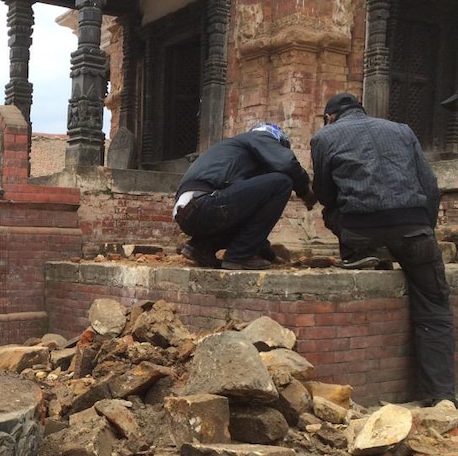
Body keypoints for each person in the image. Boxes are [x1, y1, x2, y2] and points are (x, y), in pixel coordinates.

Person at [311, 92, 456, 409]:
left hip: (361, 230)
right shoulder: (402, 130)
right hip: (414, 228)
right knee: (434, 305)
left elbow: (324, 192)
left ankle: (363, 254)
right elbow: (429, 184)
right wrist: (424, 227)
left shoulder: (324, 137)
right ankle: (442, 394)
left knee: (332, 212)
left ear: (331, 117)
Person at [174, 122, 315, 270]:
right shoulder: (261, 136)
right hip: (204, 204)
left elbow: (250, 220)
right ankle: (239, 257)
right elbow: (286, 164)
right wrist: (305, 190)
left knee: (248, 208)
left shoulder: (236, 154)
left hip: (188, 213)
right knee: (282, 182)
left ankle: (201, 248)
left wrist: (270, 256)